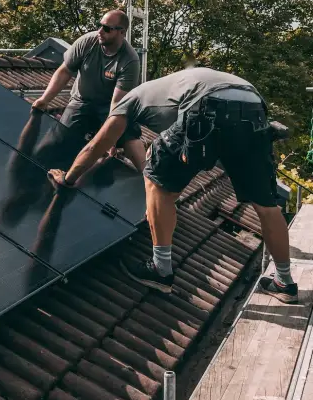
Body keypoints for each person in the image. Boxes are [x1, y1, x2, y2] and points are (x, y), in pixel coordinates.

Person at [49, 67, 299, 304]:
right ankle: (284, 283)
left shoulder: (127, 102)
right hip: (254, 107)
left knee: (154, 178)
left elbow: (96, 146)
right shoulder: (167, 88)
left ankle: (160, 269)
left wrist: (68, 178)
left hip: (208, 104)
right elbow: (186, 156)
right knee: (266, 205)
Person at [32, 10, 146, 171]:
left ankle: (149, 178)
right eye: (100, 26)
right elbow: (65, 71)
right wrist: (44, 99)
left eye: (107, 29)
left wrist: (111, 138)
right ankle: (37, 165)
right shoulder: (87, 42)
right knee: (60, 136)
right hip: (81, 101)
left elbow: (117, 103)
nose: (100, 31)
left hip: (110, 106)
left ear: (121, 32)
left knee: (129, 135)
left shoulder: (129, 60)